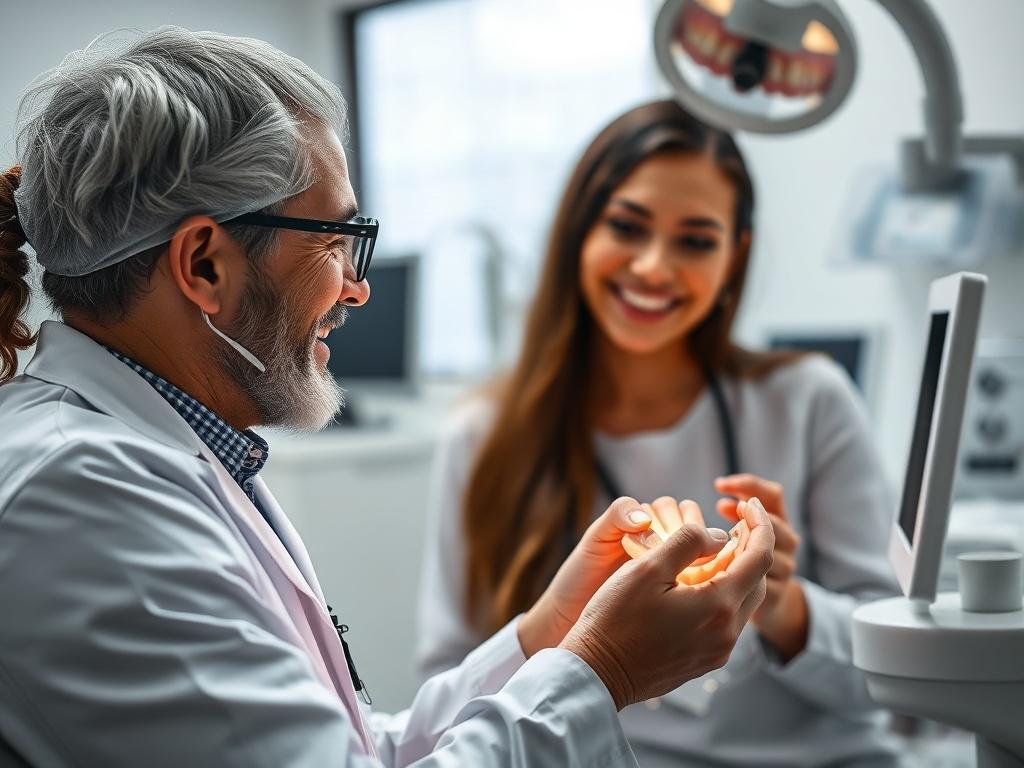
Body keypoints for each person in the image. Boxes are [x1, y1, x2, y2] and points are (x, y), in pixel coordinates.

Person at [0, 28, 775, 768]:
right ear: (205, 264)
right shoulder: (81, 496)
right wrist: (606, 667)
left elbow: (351, 748)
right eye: (333, 241)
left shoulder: (164, 456)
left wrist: (549, 633)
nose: (357, 287)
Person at [417, 100, 901, 767]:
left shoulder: (809, 400)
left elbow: (896, 678)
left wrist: (785, 606)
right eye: (627, 226)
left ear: (735, 256)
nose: (652, 266)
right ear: (579, 230)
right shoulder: (483, 438)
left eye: (695, 240)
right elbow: (451, 699)